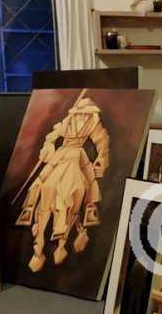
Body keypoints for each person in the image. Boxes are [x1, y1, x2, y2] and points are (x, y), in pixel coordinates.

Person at [16, 94, 110, 272]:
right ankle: (36, 232)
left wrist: (101, 159)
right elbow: (51, 137)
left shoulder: (94, 123)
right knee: (41, 184)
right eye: (81, 112)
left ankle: (67, 238)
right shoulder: (68, 121)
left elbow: (102, 141)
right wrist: (48, 147)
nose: (83, 116)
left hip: (78, 157)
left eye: (87, 113)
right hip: (61, 155)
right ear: (76, 112)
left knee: (87, 188)